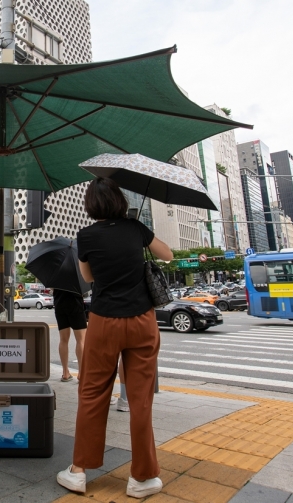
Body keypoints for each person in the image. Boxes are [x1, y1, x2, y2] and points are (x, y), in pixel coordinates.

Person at [57, 178, 174, 499]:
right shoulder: (136, 229)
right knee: (140, 399)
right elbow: (168, 255)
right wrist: (141, 238)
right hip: (142, 321)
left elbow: (88, 277)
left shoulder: (86, 235)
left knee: (93, 393)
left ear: (92, 205)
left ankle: (79, 471)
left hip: (104, 322)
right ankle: (143, 478)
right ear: (120, 201)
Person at [54, 289, 87, 382]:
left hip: (59, 304)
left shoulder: (56, 274)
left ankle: (65, 373)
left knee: (63, 340)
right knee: (81, 340)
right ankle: (81, 373)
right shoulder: (77, 274)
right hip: (75, 303)